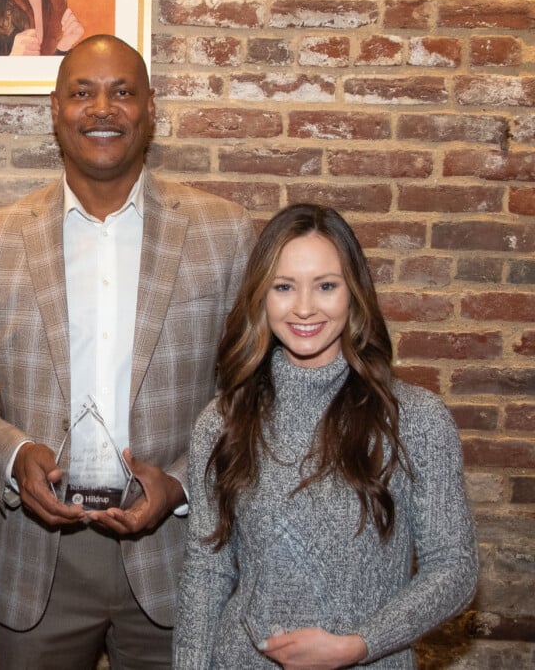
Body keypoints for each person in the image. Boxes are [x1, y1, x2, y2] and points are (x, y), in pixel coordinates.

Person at [0, 35, 255, 668]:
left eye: (122, 92)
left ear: (151, 109)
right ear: (56, 109)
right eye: (82, 92)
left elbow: (251, 394)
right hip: (40, 562)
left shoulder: (224, 234)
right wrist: (18, 455)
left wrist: (181, 485)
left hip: (178, 552)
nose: (101, 108)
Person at [174, 203, 478, 669]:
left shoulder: (415, 419)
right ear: (262, 297)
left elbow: (454, 567)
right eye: (284, 287)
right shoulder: (222, 421)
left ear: (353, 293)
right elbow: (207, 574)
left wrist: (360, 644)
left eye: (326, 286)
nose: (304, 308)